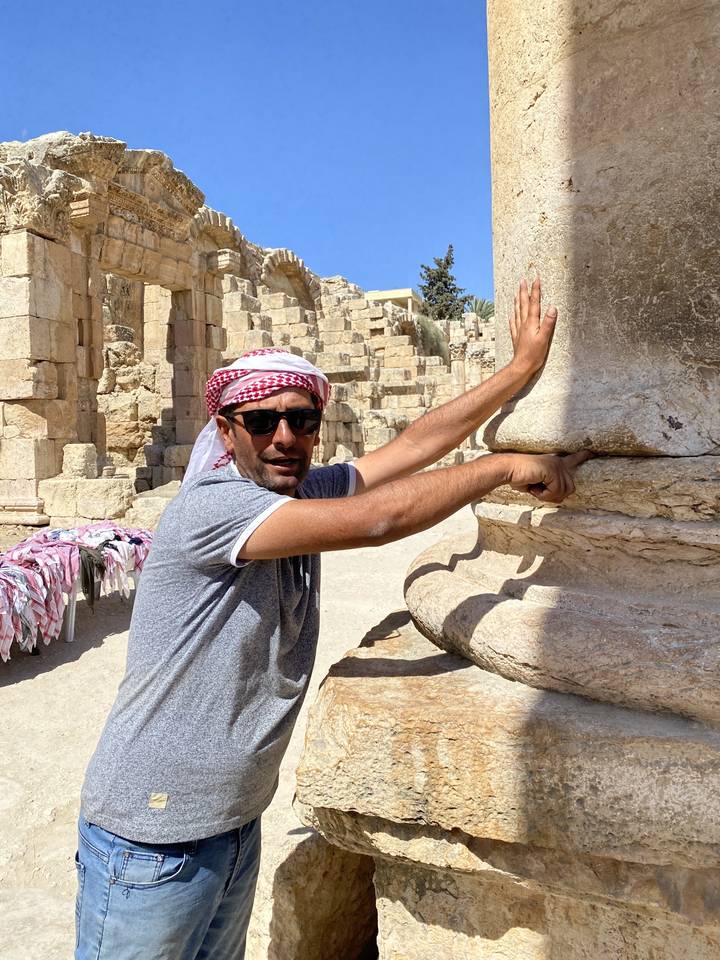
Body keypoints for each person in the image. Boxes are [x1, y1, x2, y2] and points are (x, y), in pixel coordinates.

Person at [75, 278, 589, 959]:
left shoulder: (295, 487)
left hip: (229, 825)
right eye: (261, 421)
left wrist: (519, 372)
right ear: (226, 431)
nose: (286, 437)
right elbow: (379, 519)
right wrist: (499, 467)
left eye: (303, 420)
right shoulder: (214, 506)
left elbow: (411, 448)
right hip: (151, 836)